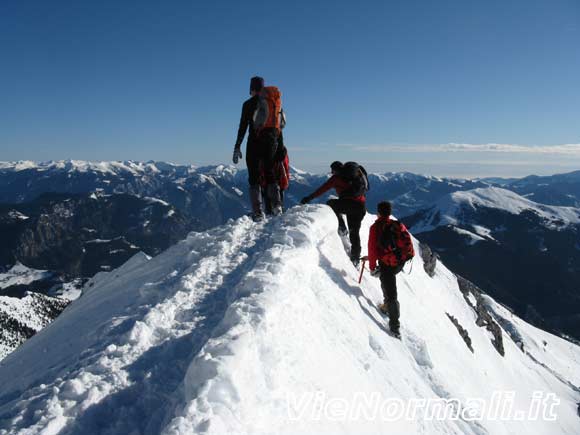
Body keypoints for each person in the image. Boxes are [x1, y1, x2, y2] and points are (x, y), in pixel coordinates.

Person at [232, 76, 284, 220]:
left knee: (254, 176)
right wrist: (280, 148)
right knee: (269, 172)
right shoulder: (275, 104)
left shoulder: (248, 104)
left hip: (254, 142)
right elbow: (279, 128)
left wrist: (237, 146)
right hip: (272, 142)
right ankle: (276, 206)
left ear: (252, 89)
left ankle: (257, 212)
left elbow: (242, 126)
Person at [301, 161, 368, 266]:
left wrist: (309, 197)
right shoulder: (356, 176)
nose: (332, 173)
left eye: (332, 171)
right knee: (355, 233)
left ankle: (341, 227)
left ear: (335, 170)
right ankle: (355, 259)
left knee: (331, 203)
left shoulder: (336, 178)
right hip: (360, 207)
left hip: (349, 205)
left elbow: (323, 189)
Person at [367, 201, 414, 336]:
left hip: (387, 264)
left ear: (378, 212)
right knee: (386, 283)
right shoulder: (397, 225)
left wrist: (372, 266)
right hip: (400, 262)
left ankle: (395, 326)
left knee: (391, 292)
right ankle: (387, 305)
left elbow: (372, 249)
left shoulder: (376, 227)